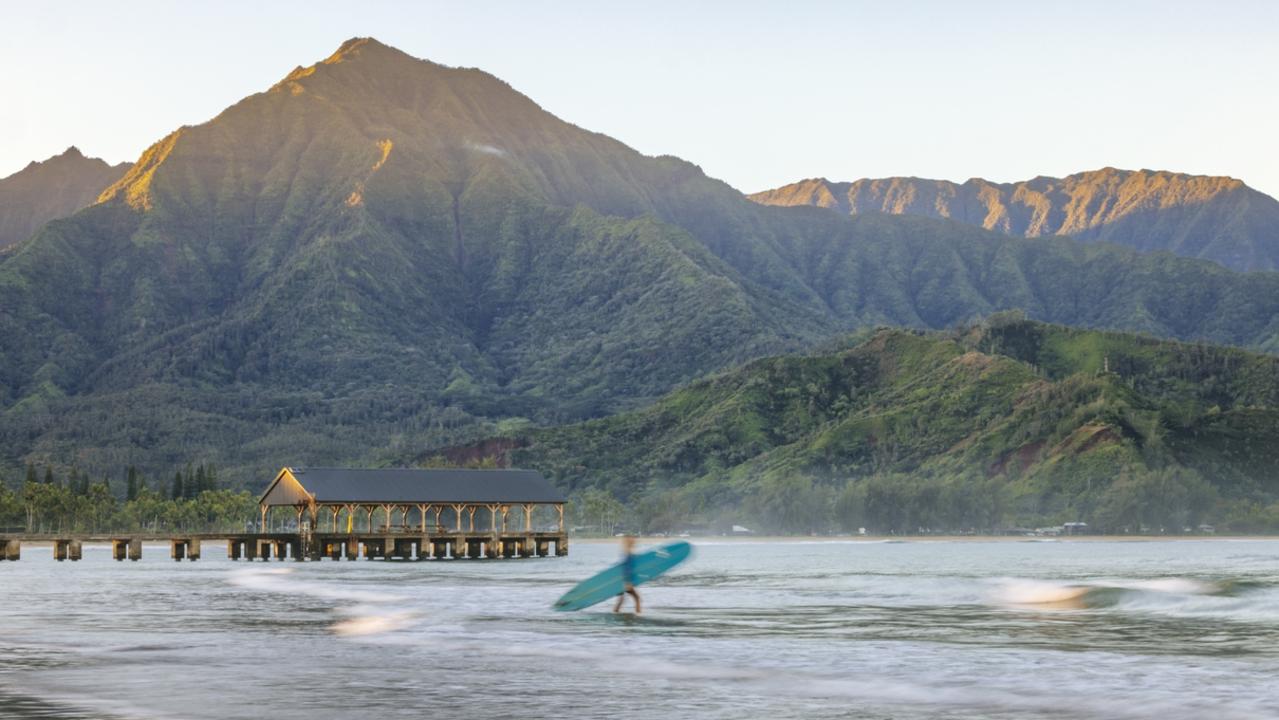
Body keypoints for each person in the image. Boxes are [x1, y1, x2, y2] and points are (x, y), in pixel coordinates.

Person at [613, 534, 641, 614]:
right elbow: (627, 569)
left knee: (621, 600)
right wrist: (628, 582)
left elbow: (621, 567)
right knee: (637, 598)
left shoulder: (625, 553)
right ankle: (638, 614)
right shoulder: (628, 554)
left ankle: (615, 612)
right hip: (626, 581)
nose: (635, 542)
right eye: (633, 541)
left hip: (621, 580)